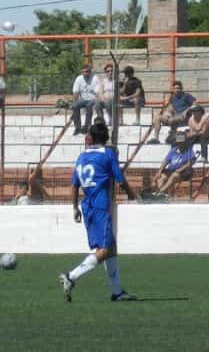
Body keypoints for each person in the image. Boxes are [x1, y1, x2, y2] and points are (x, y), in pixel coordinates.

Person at [59, 121, 139, 303]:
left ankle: (117, 292)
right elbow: (120, 179)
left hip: (86, 206)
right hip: (101, 206)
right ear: (106, 137)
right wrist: (131, 194)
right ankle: (71, 276)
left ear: (91, 137)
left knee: (111, 248)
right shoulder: (108, 154)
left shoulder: (82, 156)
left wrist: (74, 207)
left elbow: (74, 184)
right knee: (105, 250)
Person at [71, 65, 100, 135]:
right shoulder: (79, 78)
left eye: (87, 71)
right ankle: (78, 128)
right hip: (83, 99)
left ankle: (86, 126)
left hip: (92, 99)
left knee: (89, 106)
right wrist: (74, 103)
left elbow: (97, 93)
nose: (85, 73)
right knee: (75, 106)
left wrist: (97, 101)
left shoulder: (95, 78)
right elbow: (75, 92)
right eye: (83, 72)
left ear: (90, 72)